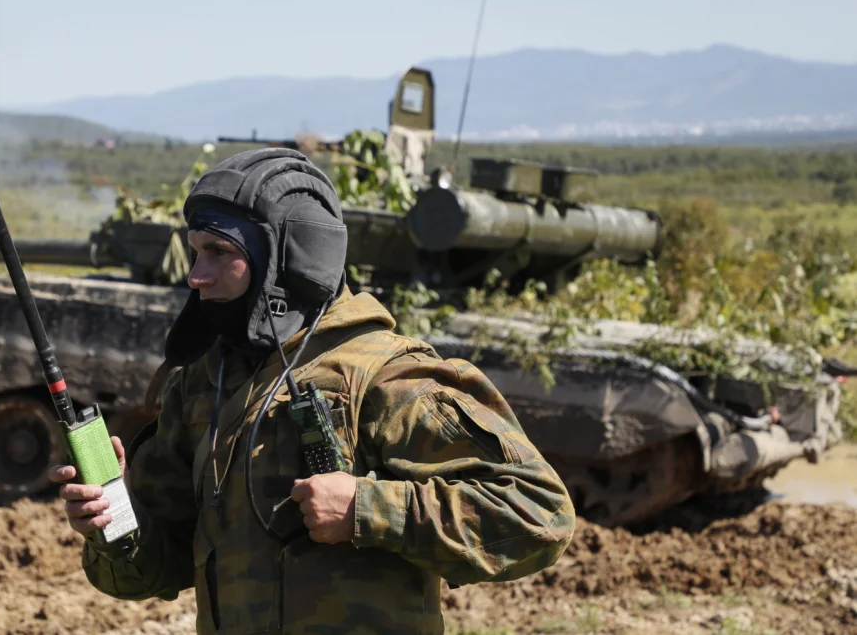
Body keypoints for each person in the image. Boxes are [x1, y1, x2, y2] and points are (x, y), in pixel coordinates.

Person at [48, 148, 576, 634]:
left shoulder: (388, 379)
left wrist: (366, 510)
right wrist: (112, 518)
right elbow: (148, 574)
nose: (196, 275)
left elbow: (539, 515)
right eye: (193, 251)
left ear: (285, 262)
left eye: (218, 251)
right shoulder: (202, 384)